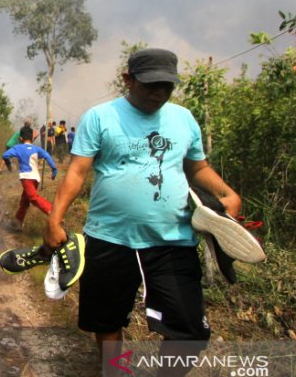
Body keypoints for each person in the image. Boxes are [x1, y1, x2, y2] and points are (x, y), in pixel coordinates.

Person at [43, 49, 242, 375]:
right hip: (110, 238)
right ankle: (116, 370)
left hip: (172, 242)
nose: (159, 93)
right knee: (107, 321)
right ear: (128, 79)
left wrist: (225, 193)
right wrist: (54, 219)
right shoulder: (100, 117)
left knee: (190, 333)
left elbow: (197, 168)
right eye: (150, 85)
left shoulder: (183, 119)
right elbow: (77, 172)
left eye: (167, 86)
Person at [2, 126, 58, 226]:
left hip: (26, 178)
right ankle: (18, 221)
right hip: (36, 178)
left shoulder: (17, 148)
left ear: (20, 138)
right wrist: (54, 169)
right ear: (32, 138)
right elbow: (47, 156)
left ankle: (53, 212)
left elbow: (5, 155)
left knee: (33, 198)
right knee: (25, 200)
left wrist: (9, 165)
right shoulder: (37, 149)